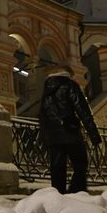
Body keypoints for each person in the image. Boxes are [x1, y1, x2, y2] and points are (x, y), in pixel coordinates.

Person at [38, 62, 102, 194]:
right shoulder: (70, 85)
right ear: (68, 74)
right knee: (80, 163)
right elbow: (83, 110)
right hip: (70, 132)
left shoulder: (47, 90)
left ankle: (58, 197)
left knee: (57, 168)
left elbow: (43, 116)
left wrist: (45, 137)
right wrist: (94, 135)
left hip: (53, 136)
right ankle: (76, 193)